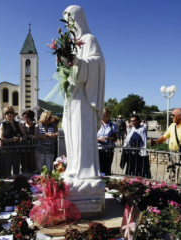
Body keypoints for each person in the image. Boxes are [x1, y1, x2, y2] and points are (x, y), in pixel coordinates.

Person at [61, 5, 105, 179]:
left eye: (69, 20)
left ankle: (85, 172)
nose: (67, 25)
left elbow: (97, 64)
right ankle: (73, 167)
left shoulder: (89, 39)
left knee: (81, 134)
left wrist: (77, 61)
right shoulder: (70, 44)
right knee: (70, 132)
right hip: (71, 96)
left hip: (84, 97)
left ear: (77, 19)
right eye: (65, 22)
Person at [149, 108, 181, 187]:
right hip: (172, 153)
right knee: (171, 170)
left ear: (180, 116)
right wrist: (155, 142)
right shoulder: (172, 125)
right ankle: (170, 186)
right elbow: (164, 137)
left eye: (173, 115)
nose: (171, 117)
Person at [0, 106, 27, 177]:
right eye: (7, 113)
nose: (9, 114)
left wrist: (22, 138)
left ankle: (17, 184)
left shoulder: (17, 123)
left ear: (13, 114)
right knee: (7, 171)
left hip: (17, 150)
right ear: (4, 115)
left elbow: (24, 134)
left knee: (16, 171)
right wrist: (11, 139)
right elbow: (1, 139)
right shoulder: (3, 125)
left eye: (11, 112)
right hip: (7, 150)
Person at [97, 108, 117, 175]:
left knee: (107, 167)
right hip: (98, 149)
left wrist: (107, 138)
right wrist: (96, 138)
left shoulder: (112, 125)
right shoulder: (97, 124)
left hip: (108, 150)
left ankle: (106, 181)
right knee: (98, 167)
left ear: (107, 115)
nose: (101, 116)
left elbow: (115, 138)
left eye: (103, 115)